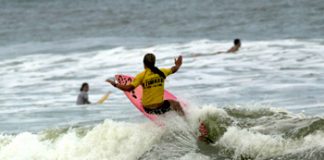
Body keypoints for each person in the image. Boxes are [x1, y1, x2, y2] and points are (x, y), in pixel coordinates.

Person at [106, 53, 185, 116]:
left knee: (145, 101)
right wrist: (178, 64)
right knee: (175, 104)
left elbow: (128, 88)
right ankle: (186, 121)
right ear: (154, 62)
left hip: (148, 109)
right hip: (161, 107)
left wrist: (115, 84)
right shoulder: (162, 72)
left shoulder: (141, 76)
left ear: (144, 63)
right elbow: (174, 69)